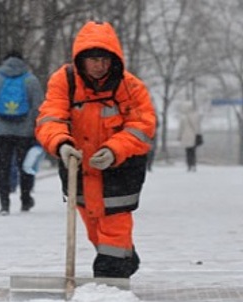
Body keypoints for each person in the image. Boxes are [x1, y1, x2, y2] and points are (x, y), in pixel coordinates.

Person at [35, 20, 157, 279]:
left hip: (120, 170)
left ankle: (110, 279)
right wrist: (61, 144)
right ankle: (124, 257)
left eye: (105, 59)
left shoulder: (130, 87)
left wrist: (114, 149)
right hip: (78, 168)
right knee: (94, 228)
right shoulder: (64, 81)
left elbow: (142, 127)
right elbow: (50, 117)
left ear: (114, 60)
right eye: (93, 60)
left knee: (113, 225)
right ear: (81, 60)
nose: (99, 66)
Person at [0, 50, 44, 216]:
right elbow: (39, 107)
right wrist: (39, 129)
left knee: (3, 167)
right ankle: (25, 200)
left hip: (1, 131)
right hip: (25, 132)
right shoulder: (31, 80)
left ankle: (4, 204)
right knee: (25, 166)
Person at [178, 104, 202, 172]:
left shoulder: (183, 118)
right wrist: (198, 134)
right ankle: (193, 165)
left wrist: (179, 136)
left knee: (188, 152)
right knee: (193, 152)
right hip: (193, 136)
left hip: (185, 137)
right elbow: (198, 127)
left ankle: (189, 165)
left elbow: (181, 128)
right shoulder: (196, 116)